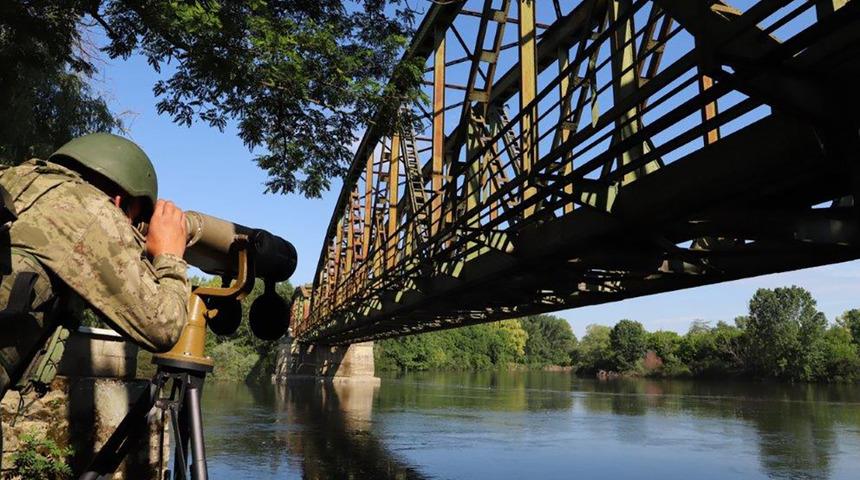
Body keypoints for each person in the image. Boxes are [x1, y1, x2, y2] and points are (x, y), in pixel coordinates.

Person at [0, 132, 190, 397]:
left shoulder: (14, 177)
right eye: (133, 221)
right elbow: (162, 327)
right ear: (120, 202)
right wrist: (170, 256)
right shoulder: (91, 210)